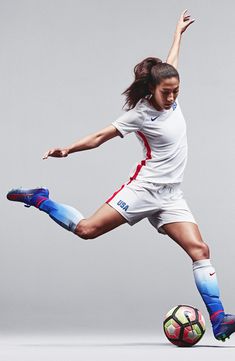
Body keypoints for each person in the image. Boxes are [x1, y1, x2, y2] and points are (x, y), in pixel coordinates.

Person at [7, 10, 235, 342]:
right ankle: (40, 198)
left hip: (172, 196)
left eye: (176, 91)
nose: (172, 98)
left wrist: (178, 33)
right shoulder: (140, 113)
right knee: (86, 230)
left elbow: (170, 63)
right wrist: (68, 149)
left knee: (200, 250)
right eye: (166, 92)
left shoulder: (170, 91)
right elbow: (100, 137)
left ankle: (218, 320)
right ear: (152, 89)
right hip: (143, 190)